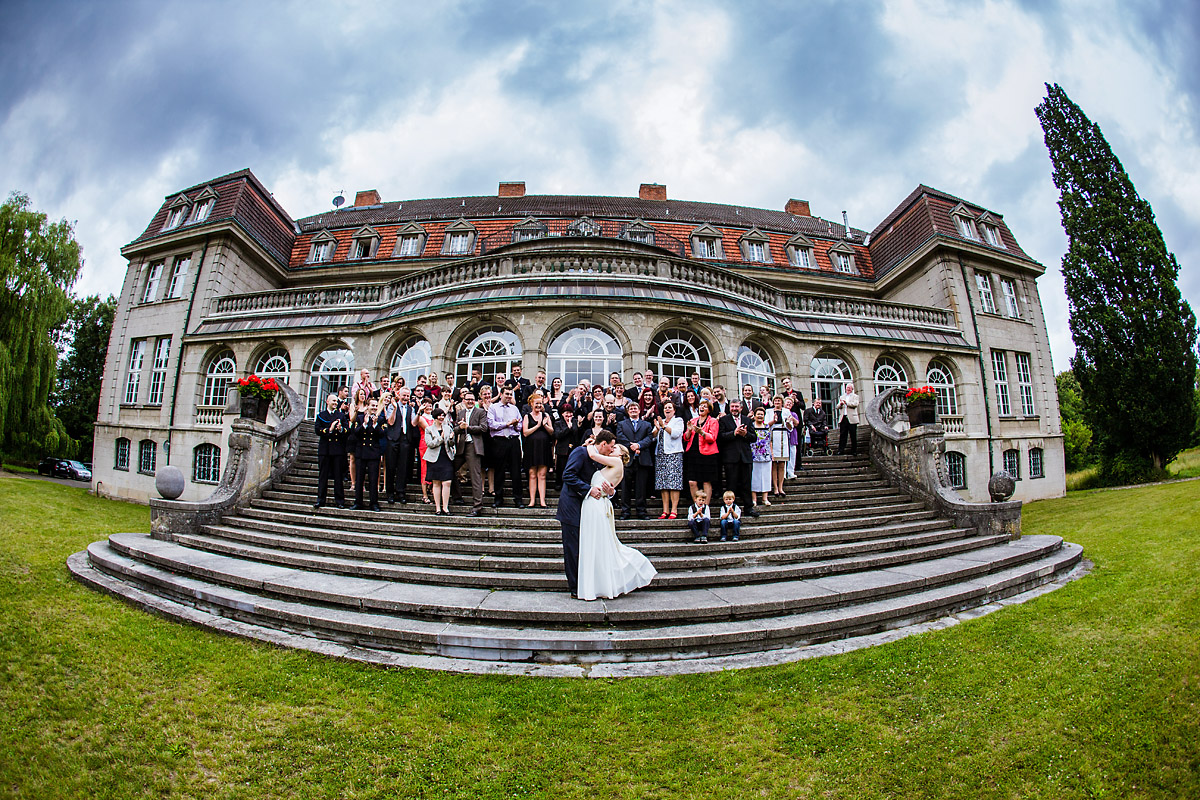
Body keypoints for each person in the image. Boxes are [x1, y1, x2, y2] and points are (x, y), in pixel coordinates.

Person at [575, 441, 658, 601]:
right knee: (599, 544)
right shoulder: (612, 466)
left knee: (598, 543)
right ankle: (600, 585)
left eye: (614, 448)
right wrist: (611, 492)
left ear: (621, 454)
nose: (611, 449)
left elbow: (592, 455)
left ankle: (604, 583)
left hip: (596, 504)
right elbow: (610, 488)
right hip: (598, 503)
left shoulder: (616, 461)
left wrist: (590, 443)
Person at [557, 429, 617, 598]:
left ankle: (587, 584)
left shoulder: (601, 460)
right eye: (611, 446)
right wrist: (589, 490)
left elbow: (604, 484)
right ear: (603, 444)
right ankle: (575, 587)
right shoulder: (580, 452)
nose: (612, 450)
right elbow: (568, 475)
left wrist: (610, 493)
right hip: (571, 507)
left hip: (589, 511)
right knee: (573, 548)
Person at [717, 398, 759, 518]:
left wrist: (745, 434)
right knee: (731, 484)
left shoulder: (747, 420)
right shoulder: (724, 420)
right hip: (730, 458)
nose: (734, 409)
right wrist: (734, 433)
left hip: (745, 457)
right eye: (732, 407)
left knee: (746, 484)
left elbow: (754, 437)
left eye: (736, 407)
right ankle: (731, 510)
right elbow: (720, 436)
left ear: (741, 408)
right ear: (729, 408)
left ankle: (748, 508)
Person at [615, 400, 654, 520]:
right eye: (631, 409)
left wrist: (639, 445)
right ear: (627, 411)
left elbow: (650, 437)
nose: (633, 410)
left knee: (641, 487)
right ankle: (625, 511)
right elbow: (620, 437)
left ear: (639, 410)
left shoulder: (646, 424)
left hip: (642, 459)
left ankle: (641, 511)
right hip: (627, 459)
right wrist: (631, 446)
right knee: (625, 487)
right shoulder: (622, 424)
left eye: (635, 408)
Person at [487, 386, 525, 508]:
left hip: (513, 440)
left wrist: (515, 425)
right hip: (499, 441)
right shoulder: (493, 407)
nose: (509, 396)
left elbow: (520, 426)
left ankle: (518, 499)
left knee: (516, 471)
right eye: (507, 394)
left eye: (510, 394)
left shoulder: (514, 408)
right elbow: (491, 424)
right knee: (499, 471)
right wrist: (507, 424)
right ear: (501, 394)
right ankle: (498, 498)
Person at [454, 389, 488, 516]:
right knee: (449, 470)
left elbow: (483, 428)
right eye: (467, 399)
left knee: (475, 476)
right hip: (461, 447)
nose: (470, 401)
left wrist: (468, 427)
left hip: (473, 446)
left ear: (475, 401)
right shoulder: (460, 412)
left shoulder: (480, 412)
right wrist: (460, 427)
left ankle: (477, 506)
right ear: (463, 401)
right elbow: (456, 429)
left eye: (472, 399)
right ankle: (457, 497)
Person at [350, 397, 387, 511]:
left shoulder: (380, 420)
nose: (374, 408)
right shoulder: (360, 418)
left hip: (373, 452)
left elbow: (382, 434)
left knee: (373, 479)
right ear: (367, 406)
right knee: (359, 479)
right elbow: (355, 433)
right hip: (361, 451)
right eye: (372, 405)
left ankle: (374, 503)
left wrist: (375, 425)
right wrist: (365, 425)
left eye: (376, 406)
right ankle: (358, 502)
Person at [313, 393, 348, 510]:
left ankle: (340, 501)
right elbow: (317, 430)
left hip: (337, 450)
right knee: (323, 476)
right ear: (327, 402)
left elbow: (347, 430)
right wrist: (330, 429)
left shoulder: (341, 415)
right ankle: (320, 500)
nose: (335, 403)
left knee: (338, 476)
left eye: (336, 401)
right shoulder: (321, 415)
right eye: (333, 401)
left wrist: (341, 429)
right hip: (325, 449)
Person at [683, 399, 719, 505]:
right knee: (692, 482)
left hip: (707, 454)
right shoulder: (693, 420)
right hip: (693, 454)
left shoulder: (713, 421)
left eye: (705, 406)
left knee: (706, 481)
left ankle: (705, 507)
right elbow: (686, 437)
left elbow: (712, 438)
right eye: (700, 406)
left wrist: (702, 432)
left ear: (709, 410)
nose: (701, 408)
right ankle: (697, 505)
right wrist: (689, 430)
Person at [385, 387, 418, 504]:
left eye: (407, 396)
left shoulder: (410, 409)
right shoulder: (391, 406)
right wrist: (395, 408)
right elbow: (390, 422)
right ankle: (390, 493)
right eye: (404, 395)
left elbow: (413, 423)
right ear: (399, 395)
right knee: (390, 467)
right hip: (393, 439)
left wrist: (419, 412)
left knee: (403, 467)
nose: (405, 398)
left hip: (405, 439)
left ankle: (401, 492)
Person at [522, 393, 555, 508]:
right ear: (531, 404)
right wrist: (538, 425)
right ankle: (532, 500)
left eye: (540, 403)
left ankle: (542, 501)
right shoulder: (527, 416)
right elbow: (525, 433)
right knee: (532, 474)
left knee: (542, 474)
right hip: (532, 448)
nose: (539, 405)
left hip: (544, 448)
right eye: (536, 403)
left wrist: (544, 425)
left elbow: (551, 431)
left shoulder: (546, 415)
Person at [654, 400, 685, 519]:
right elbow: (653, 436)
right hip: (661, 454)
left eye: (669, 407)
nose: (667, 409)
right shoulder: (661, 420)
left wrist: (664, 426)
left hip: (673, 454)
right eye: (665, 408)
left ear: (674, 410)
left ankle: (674, 509)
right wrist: (657, 428)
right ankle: (665, 510)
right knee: (663, 484)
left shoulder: (678, 421)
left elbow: (676, 434)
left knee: (674, 483)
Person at [423, 406, 455, 515]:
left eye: (443, 416)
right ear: (435, 417)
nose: (441, 417)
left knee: (447, 482)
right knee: (436, 483)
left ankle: (445, 507)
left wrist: (451, 438)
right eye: (439, 416)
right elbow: (430, 444)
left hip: (446, 457)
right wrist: (441, 438)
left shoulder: (448, 428)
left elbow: (451, 444)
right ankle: (438, 508)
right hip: (434, 458)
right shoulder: (429, 429)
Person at [767, 395, 795, 497]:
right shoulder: (769, 411)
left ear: (782, 402)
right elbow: (766, 425)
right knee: (774, 463)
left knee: (782, 463)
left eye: (779, 401)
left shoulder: (786, 411)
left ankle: (781, 487)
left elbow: (790, 427)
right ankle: (775, 488)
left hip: (783, 437)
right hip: (773, 436)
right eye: (776, 401)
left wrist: (787, 422)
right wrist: (773, 421)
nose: (777, 402)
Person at [552, 404, 582, 490]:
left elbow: (577, 434)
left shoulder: (575, 421)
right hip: (562, 450)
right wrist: (568, 428)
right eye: (566, 413)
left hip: (573, 448)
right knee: (560, 468)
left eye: (570, 413)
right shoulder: (558, 423)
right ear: (562, 413)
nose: (569, 415)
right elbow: (557, 435)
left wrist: (579, 426)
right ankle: (559, 483)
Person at [750, 406, 773, 507]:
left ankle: (765, 498)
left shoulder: (767, 426)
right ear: (754, 416)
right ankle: (754, 499)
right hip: (754, 455)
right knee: (754, 477)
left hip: (766, 455)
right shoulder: (751, 426)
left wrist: (772, 454)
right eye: (758, 414)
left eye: (762, 414)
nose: (760, 416)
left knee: (766, 477)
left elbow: (770, 441)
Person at [836, 382, 860, 456]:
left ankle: (854, 451)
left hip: (852, 418)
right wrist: (841, 404)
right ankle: (841, 450)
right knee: (843, 435)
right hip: (843, 418)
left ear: (852, 389)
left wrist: (847, 403)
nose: (848, 389)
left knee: (853, 435)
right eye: (847, 388)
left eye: (850, 388)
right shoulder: (842, 396)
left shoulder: (855, 396)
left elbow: (855, 404)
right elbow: (837, 406)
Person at [784, 395, 802, 478]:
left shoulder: (794, 414)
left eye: (790, 403)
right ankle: (783, 473)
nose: (788, 404)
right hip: (783, 435)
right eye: (787, 402)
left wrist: (791, 418)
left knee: (792, 453)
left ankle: (790, 471)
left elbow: (797, 423)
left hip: (792, 435)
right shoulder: (781, 412)